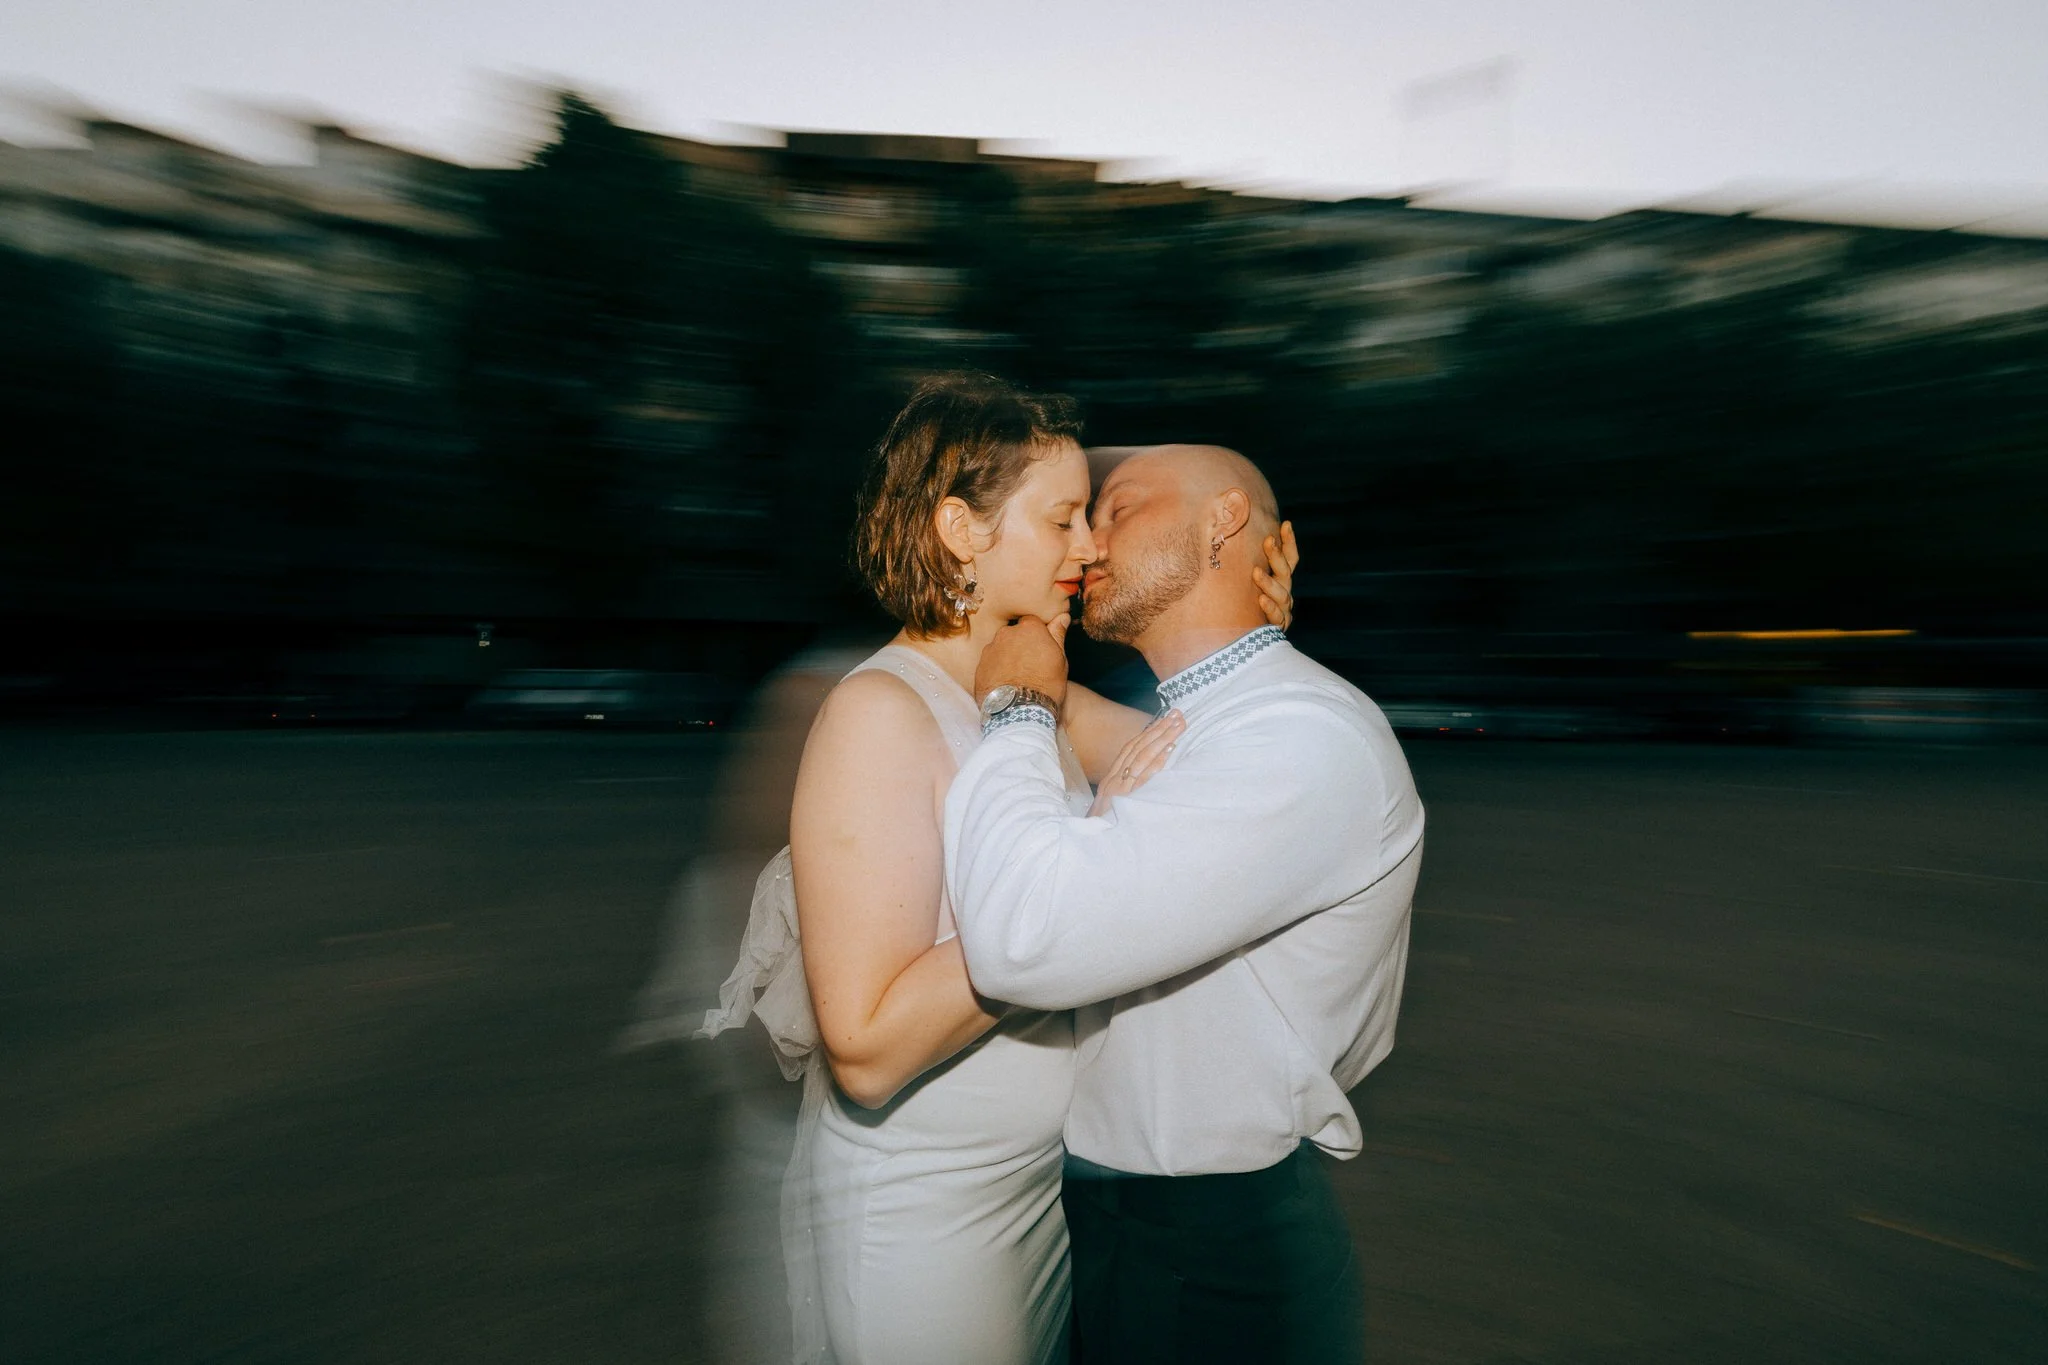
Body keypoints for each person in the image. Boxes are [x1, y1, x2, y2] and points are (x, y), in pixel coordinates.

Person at [695, 378, 1298, 1365]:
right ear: (960, 530)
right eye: (1062, 519)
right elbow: (866, 1045)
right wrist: (1076, 871)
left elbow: (1230, 772)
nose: (1089, 547)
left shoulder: (1032, 694)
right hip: (924, 1215)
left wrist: (1248, 635)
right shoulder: (879, 713)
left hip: (1037, 1192)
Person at [944, 444, 1424, 1364]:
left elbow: (1021, 937)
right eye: (1076, 521)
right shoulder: (1218, 720)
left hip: (1211, 1253)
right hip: (1140, 1226)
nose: (1088, 543)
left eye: (1117, 508)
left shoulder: (1297, 736)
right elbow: (1091, 718)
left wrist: (1016, 709)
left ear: (1224, 519)